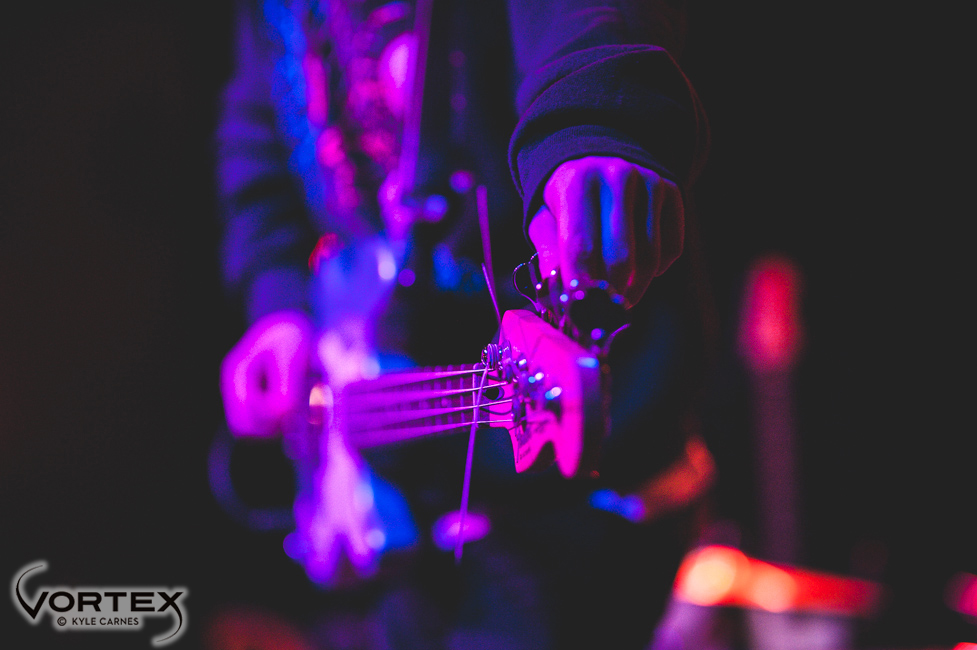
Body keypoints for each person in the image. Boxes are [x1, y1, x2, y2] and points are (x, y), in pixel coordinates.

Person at [214, 0, 714, 648]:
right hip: (399, 487)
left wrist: (593, 121)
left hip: (559, 491)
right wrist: (277, 302)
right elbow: (257, 122)